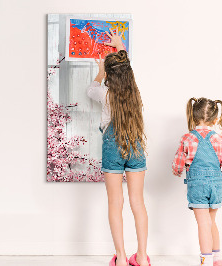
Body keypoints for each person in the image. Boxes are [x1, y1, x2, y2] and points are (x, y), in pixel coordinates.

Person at [87, 28, 151, 266]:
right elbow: (126, 68)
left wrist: (100, 70)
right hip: (135, 147)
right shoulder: (135, 94)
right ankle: (142, 258)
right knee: (138, 202)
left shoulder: (105, 95)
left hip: (112, 149)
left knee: (115, 203)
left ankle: (122, 259)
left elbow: (90, 90)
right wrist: (120, 46)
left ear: (110, 77)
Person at [172, 98, 222, 266]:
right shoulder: (220, 139)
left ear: (193, 117)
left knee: (203, 224)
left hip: (197, 186)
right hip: (216, 185)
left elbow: (177, 164)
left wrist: (177, 171)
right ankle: (217, 260)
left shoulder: (187, 138)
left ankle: (206, 261)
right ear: (215, 120)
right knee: (211, 222)